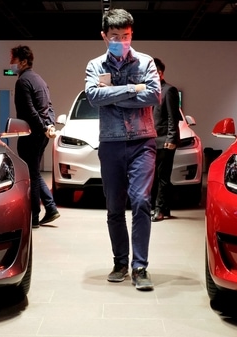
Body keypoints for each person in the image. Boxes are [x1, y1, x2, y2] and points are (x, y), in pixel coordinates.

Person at [84, 8, 161, 291]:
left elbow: (153, 95)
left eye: (126, 36)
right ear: (104, 36)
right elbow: (93, 96)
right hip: (111, 143)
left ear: (132, 34)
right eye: (115, 36)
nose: (121, 41)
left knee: (141, 201)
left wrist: (114, 96)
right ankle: (120, 262)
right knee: (114, 207)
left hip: (143, 141)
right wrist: (132, 89)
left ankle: (139, 267)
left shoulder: (146, 62)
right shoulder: (95, 66)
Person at [10, 45, 60, 229]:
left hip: (31, 134)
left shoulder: (23, 82)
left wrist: (41, 127)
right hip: (42, 134)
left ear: (23, 61)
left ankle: (35, 217)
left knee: (31, 174)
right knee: (35, 173)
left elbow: (30, 111)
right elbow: (50, 106)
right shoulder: (39, 80)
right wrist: (49, 125)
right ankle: (50, 208)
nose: (11, 63)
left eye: (13, 60)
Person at [150, 57, 181, 222]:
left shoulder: (169, 91)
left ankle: (160, 209)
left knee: (162, 177)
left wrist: (171, 138)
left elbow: (172, 117)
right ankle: (164, 208)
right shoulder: (151, 91)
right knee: (154, 177)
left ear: (160, 73)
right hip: (152, 140)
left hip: (165, 141)